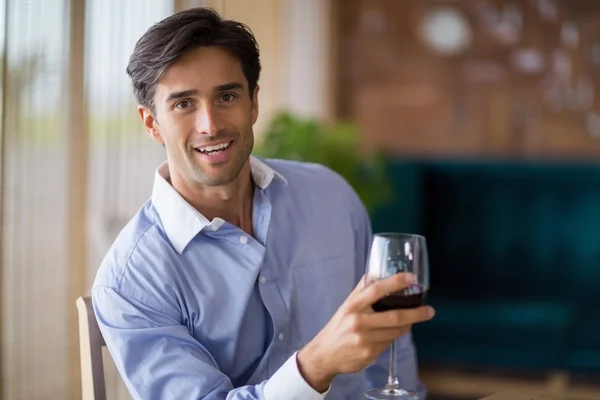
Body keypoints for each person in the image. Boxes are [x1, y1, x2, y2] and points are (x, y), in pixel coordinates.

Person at [92, 7, 435, 400]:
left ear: (253, 103)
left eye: (226, 95)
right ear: (152, 123)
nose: (210, 124)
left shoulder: (331, 196)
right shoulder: (130, 282)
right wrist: (315, 366)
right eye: (184, 104)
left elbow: (390, 354)